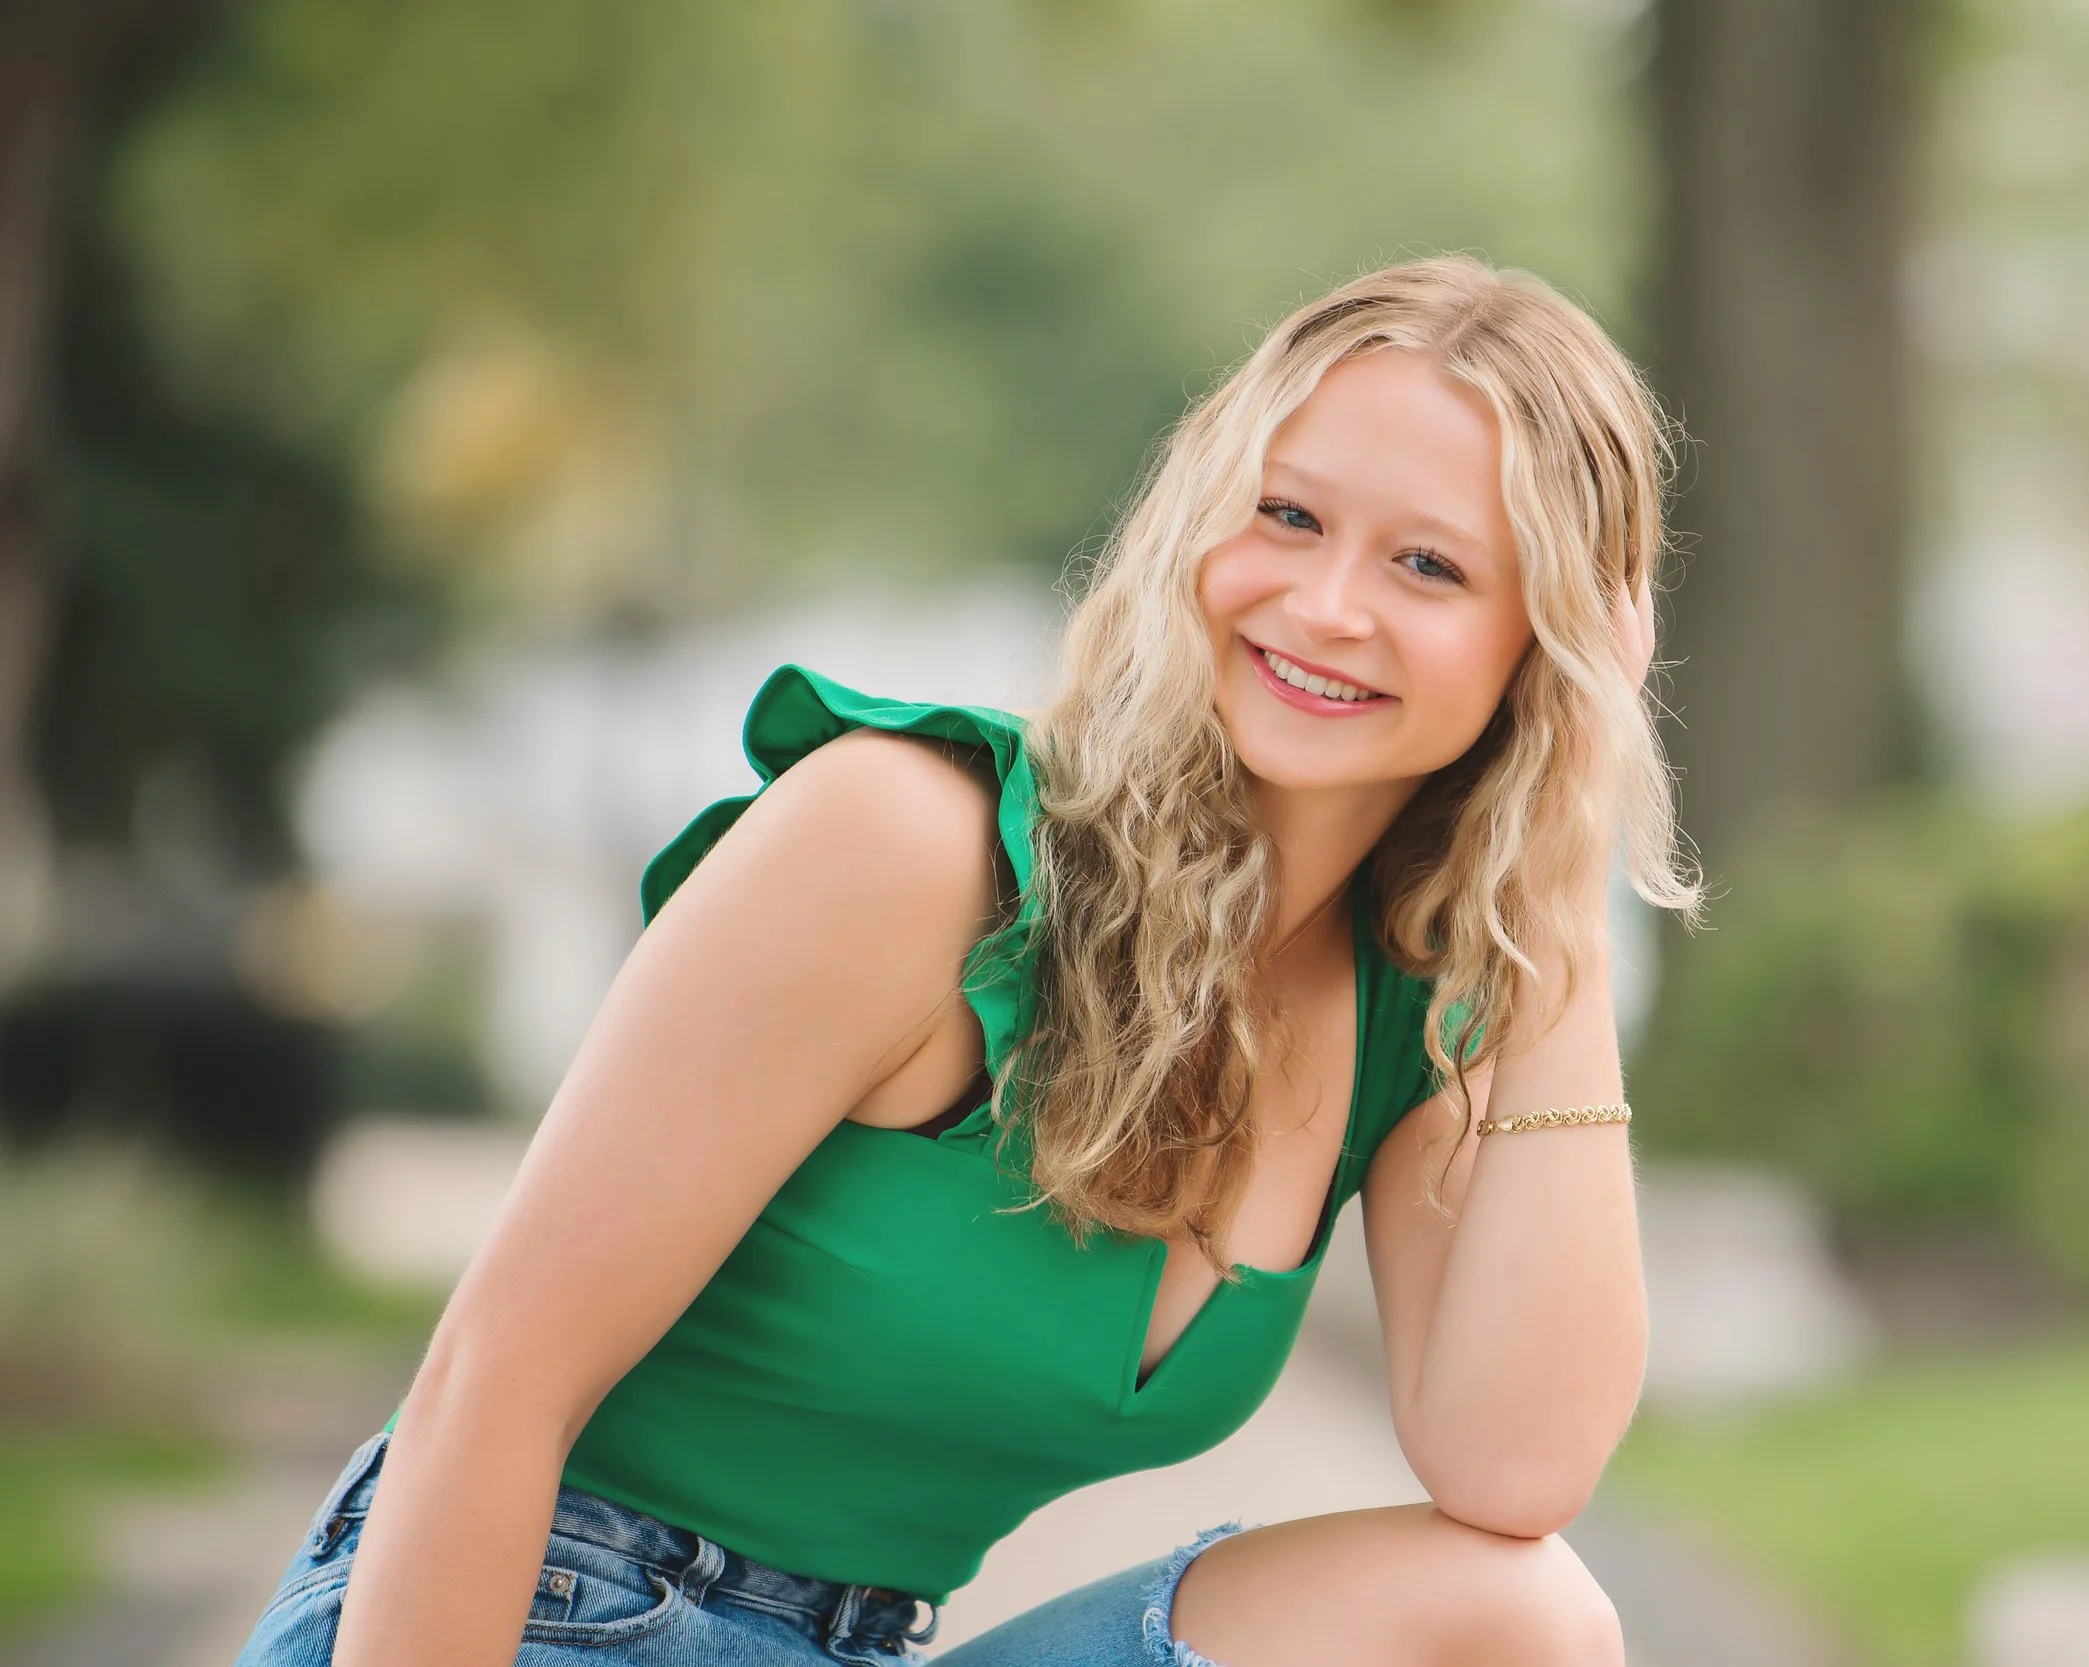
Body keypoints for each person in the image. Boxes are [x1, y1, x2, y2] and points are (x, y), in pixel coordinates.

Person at [233, 253, 1699, 1667]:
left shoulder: (1410, 1010)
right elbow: (486, 1388)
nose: (1325, 605)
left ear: (1545, 644)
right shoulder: (910, 844)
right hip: (552, 1615)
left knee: (1524, 1622)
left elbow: (1515, 1471)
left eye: (1430, 564)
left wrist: (1564, 875)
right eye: (1290, 516)